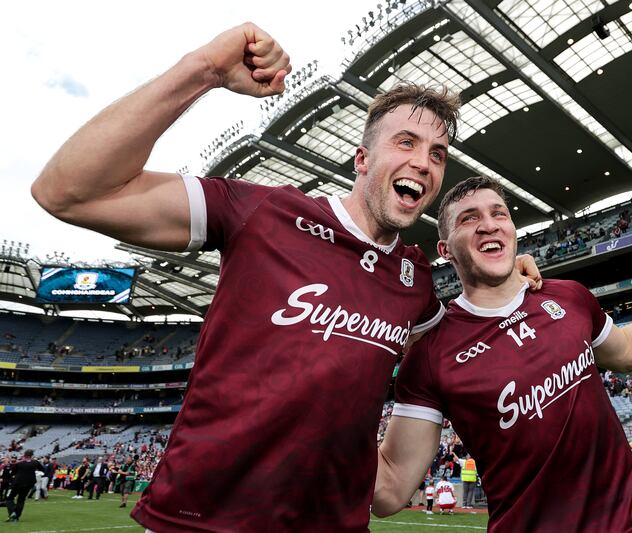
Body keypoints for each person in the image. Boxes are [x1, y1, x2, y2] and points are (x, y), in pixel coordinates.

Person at [32, 24, 540, 532]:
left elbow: (459, 342)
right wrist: (203, 70)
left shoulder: (414, 280)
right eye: (405, 142)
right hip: (199, 523)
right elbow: (68, 192)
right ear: (362, 159)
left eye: (437, 153)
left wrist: (502, 280)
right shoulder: (264, 213)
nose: (422, 163)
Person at [372, 176, 632, 531]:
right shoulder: (431, 357)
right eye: (469, 219)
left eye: (499, 214)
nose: (488, 225)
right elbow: (389, 492)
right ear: (446, 250)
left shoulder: (569, 296)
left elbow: (629, 351)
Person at [5, 450, 43, 523]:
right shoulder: (36, 462)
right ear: (32, 455)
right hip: (29, 484)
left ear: (24, 455)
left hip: (17, 483)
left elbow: (12, 473)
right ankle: (16, 516)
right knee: (21, 500)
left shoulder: (19, 463)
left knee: (9, 498)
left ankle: (13, 513)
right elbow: (42, 470)